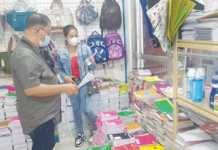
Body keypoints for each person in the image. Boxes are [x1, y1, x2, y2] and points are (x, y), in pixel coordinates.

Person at [10, 13, 79, 150]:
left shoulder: (33, 50)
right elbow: (32, 89)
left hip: (44, 115)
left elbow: (43, 76)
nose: (49, 36)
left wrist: (62, 80)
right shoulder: (25, 55)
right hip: (39, 119)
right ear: (37, 31)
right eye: (48, 32)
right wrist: (63, 88)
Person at [58, 25, 97, 147]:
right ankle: (80, 134)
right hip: (71, 84)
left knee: (87, 109)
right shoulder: (61, 53)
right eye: (71, 36)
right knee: (76, 110)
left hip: (84, 83)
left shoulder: (85, 49)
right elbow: (60, 70)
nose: (74, 38)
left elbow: (93, 68)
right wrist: (65, 77)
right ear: (65, 37)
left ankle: (96, 129)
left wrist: (92, 62)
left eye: (76, 36)